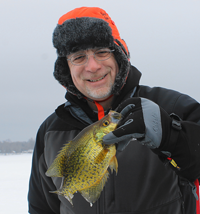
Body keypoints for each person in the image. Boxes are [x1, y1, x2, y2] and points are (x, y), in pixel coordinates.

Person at [28, 6, 200, 214]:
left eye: (101, 52)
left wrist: (173, 136)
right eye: (79, 57)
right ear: (67, 68)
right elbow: (41, 208)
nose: (92, 66)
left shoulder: (174, 106)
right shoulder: (49, 130)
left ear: (119, 56)